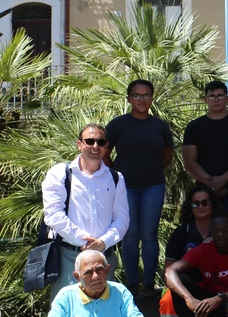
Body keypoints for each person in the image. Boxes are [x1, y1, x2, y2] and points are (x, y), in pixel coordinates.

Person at [41, 124, 128, 298]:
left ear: (106, 146)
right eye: (89, 141)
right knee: (66, 315)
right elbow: (53, 214)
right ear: (79, 144)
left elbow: (122, 217)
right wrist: (84, 242)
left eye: (100, 142)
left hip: (104, 257)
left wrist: (102, 243)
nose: (95, 146)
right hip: (70, 257)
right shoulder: (60, 173)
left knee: (104, 313)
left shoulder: (116, 178)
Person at [106, 79, 173, 295]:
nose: (142, 99)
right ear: (129, 99)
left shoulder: (159, 125)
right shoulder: (118, 124)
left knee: (149, 235)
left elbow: (167, 154)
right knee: (130, 235)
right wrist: (116, 172)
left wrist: (152, 169)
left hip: (153, 185)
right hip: (126, 188)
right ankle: (132, 283)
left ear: (152, 98)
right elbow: (104, 152)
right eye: (137, 95)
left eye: (146, 95)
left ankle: (149, 283)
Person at [182, 81, 228, 242]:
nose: (216, 99)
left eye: (220, 95)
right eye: (212, 96)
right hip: (203, 190)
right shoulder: (194, 127)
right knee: (203, 232)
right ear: (205, 99)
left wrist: (223, 180)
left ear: (227, 98)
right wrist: (212, 184)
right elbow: (189, 161)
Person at [164, 184, 217, 268]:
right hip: (188, 278)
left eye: (205, 203)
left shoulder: (223, 230)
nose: (200, 206)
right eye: (195, 204)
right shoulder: (180, 233)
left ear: (212, 205)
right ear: (190, 208)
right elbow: (168, 269)